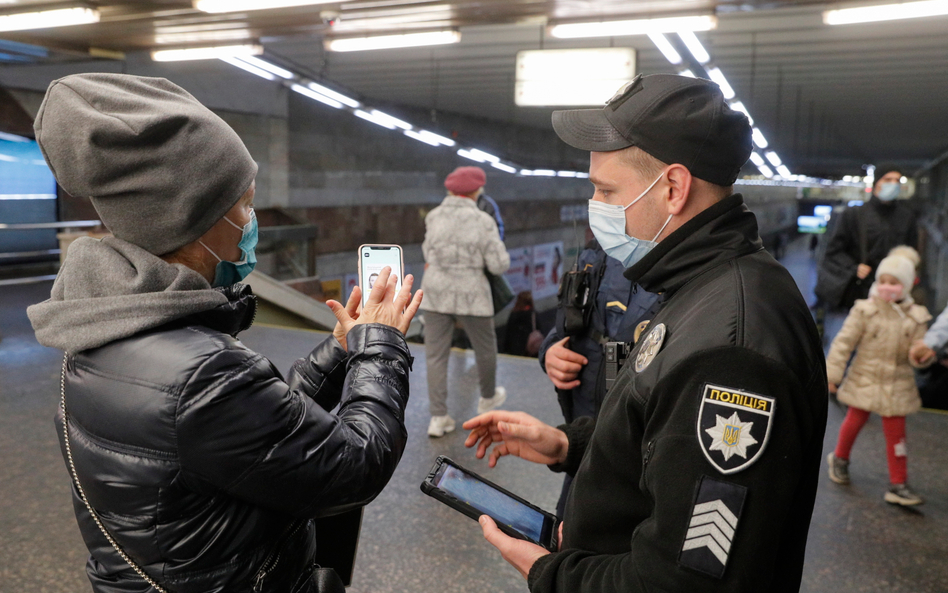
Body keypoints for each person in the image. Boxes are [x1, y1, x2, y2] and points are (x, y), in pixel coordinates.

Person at [26, 73, 423, 593]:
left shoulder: (109, 324)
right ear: (193, 219)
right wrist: (382, 347)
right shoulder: (200, 369)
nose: (251, 218)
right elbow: (353, 466)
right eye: (244, 203)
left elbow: (254, 438)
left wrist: (341, 350)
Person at [462, 73, 827, 592]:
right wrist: (568, 445)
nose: (596, 205)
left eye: (606, 190)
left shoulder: (734, 352)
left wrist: (551, 574)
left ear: (674, 188)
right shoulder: (699, 285)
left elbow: (682, 581)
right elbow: (666, 438)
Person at [537, 237, 660, 515]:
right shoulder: (595, 252)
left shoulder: (676, 266)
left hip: (637, 460)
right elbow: (566, 321)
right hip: (581, 441)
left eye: (607, 192)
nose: (596, 205)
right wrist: (550, 353)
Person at [825, 249, 932, 505]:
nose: (887, 287)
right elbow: (843, 343)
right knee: (853, 421)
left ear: (905, 285)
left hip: (898, 383)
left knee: (897, 435)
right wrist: (832, 374)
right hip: (865, 377)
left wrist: (921, 357)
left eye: (894, 283)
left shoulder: (915, 317)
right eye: (882, 281)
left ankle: (898, 483)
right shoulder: (865, 311)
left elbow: (917, 351)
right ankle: (840, 458)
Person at [421, 165, 511, 437]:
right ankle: (487, 399)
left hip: (436, 291)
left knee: (435, 355)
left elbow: (427, 251)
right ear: (477, 191)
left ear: (449, 190)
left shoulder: (434, 216)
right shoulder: (483, 220)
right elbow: (498, 265)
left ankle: (438, 418)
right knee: (485, 348)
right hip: (472, 293)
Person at [816, 165, 917, 311]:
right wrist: (854, 267)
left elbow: (912, 253)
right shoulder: (854, 214)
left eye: (897, 180)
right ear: (876, 183)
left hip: (894, 293)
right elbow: (834, 251)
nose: (893, 184)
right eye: (888, 179)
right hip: (861, 290)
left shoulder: (907, 217)